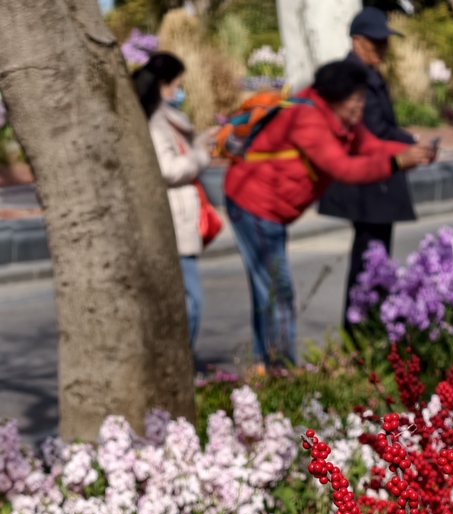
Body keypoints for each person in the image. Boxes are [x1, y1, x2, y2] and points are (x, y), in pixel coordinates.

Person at [224, 60, 434, 368]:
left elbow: (371, 146)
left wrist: (413, 152)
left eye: (363, 98)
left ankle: (267, 363)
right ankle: (279, 369)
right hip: (253, 203)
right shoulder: (306, 119)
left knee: (270, 289)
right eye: (356, 99)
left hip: (272, 209)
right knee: (277, 290)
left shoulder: (342, 119)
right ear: (335, 97)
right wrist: (396, 163)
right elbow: (343, 168)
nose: (361, 106)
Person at [318, 7, 427, 332]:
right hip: (366, 186)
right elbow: (372, 131)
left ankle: (370, 328)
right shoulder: (354, 76)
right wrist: (408, 145)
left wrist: (409, 145)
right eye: (376, 41)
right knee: (368, 261)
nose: (382, 48)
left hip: (375, 181)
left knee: (374, 259)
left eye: (385, 41)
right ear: (357, 40)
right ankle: (360, 331)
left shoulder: (366, 73)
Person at [133, 53, 212, 352]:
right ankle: (180, 363)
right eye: (177, 84)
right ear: (163, 84)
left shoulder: (162, 118)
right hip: (173, 221)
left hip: (178, 219)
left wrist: (199, 143)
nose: (180, 91)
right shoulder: (156, 122)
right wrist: (201, 156)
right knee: (190, 301)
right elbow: (167, 169)